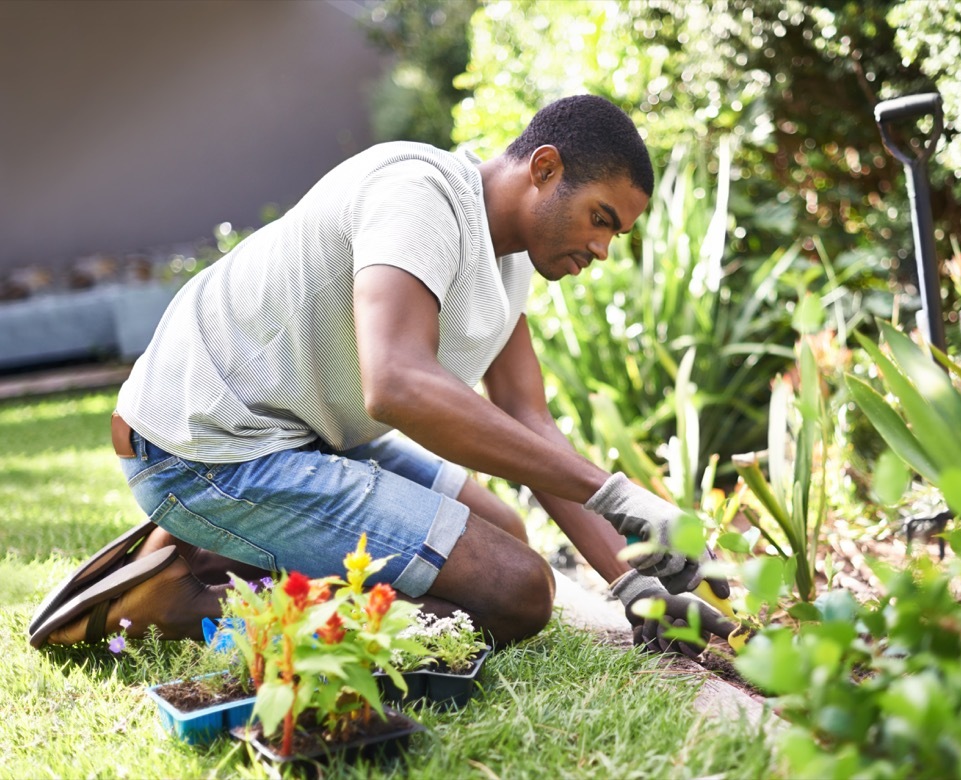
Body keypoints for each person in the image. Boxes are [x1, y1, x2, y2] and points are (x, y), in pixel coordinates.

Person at [27, 94, 733, 656]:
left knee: (503, 530)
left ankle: (211, 551)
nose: (603, 248)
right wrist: (615, 494)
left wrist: (633, 580)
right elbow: (395, 383)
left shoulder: (510, 260)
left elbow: (528, 419)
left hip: (303, 435)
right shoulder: (419, 194)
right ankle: (187, 601)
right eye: (599, 218)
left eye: (616, 232)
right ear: (544, 168)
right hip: (206, 448)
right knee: (517, 591)